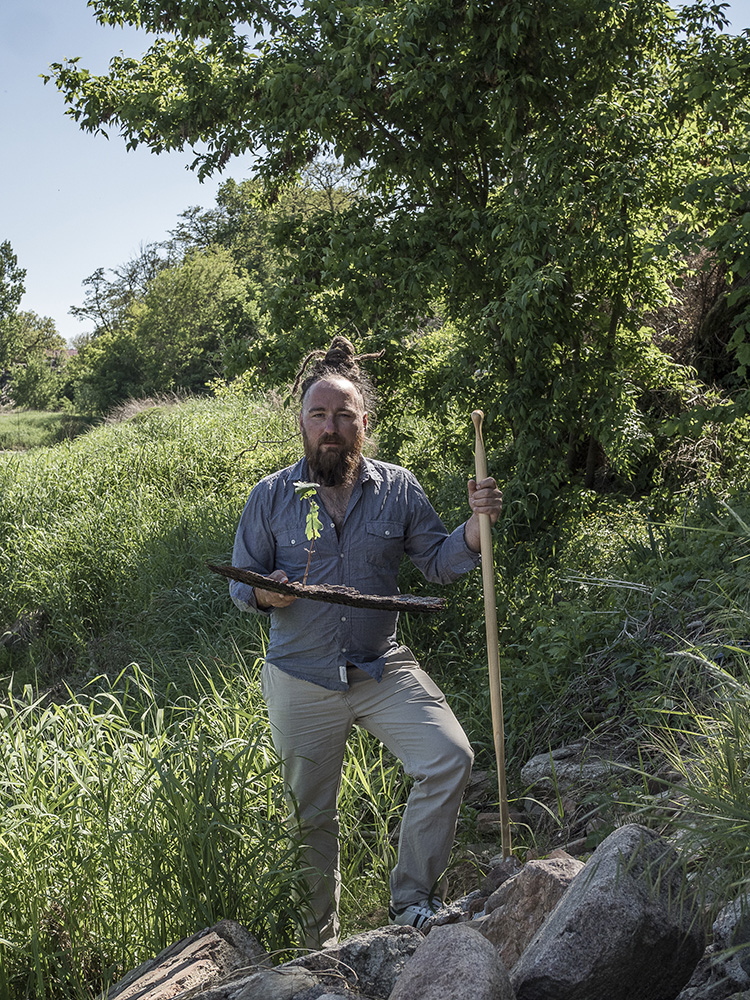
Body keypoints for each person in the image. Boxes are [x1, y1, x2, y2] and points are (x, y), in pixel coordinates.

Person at [229, 337, 502, 948]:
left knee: (449, 759)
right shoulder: (270, 497)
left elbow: (437, 560)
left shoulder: (398, 488)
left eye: (344, 414)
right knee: (311, 816)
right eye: (319, 415)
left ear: (364, 422)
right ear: (301, 423)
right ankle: (315, 945)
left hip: (382, 668)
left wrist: (476, 528)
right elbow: (241, 586)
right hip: (301, 676)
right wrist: (267, 594)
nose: (332, 427)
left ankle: (411, 903)